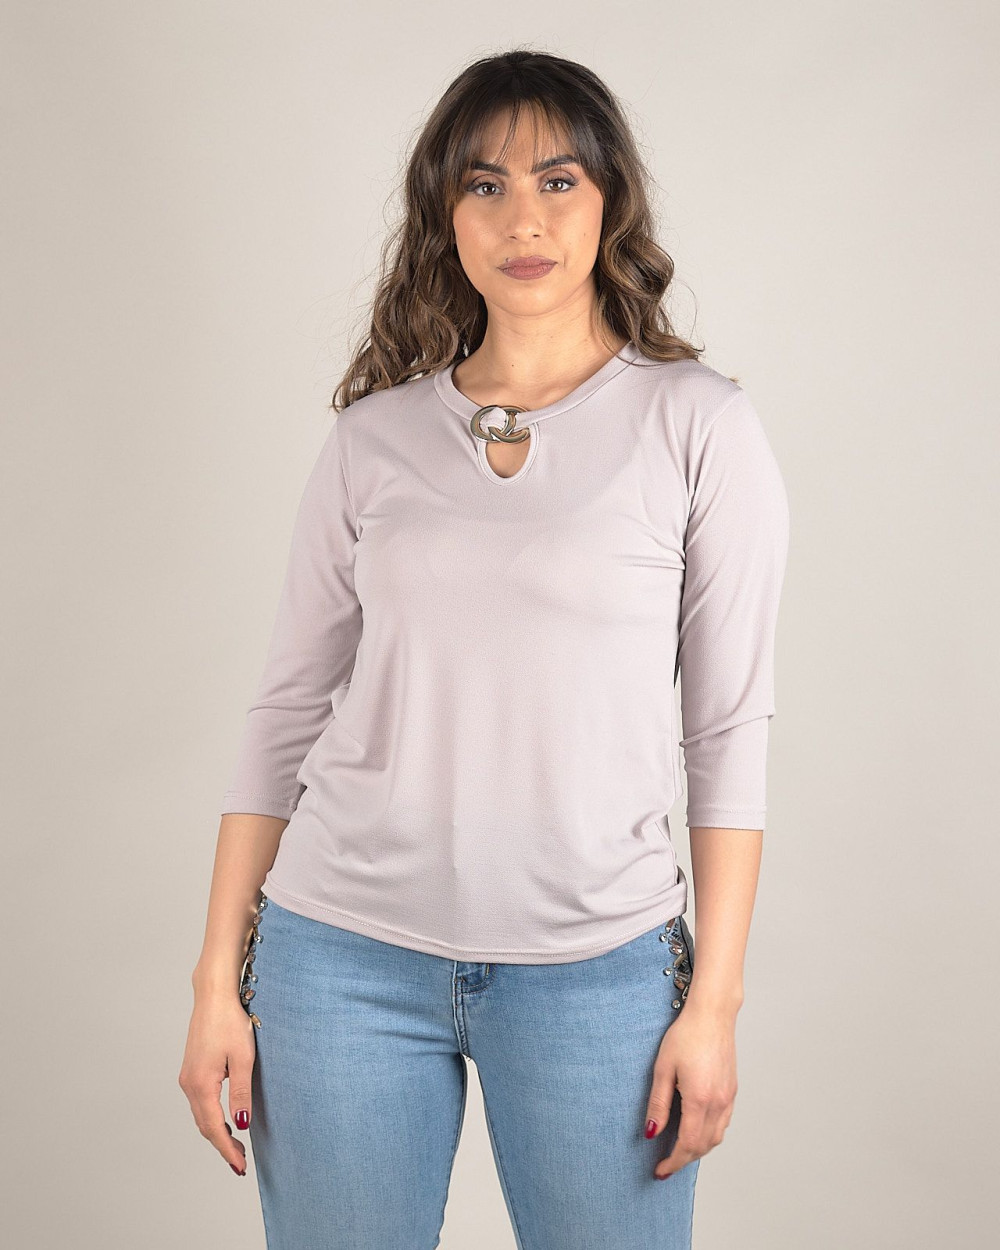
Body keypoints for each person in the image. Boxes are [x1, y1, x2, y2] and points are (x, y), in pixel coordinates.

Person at [178, 47, 790, 1250]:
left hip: (598, 968)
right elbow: (284, 713)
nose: (524, 220)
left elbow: (726, 731)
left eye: (558, 181)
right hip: (337, 960)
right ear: (443, 213)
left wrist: (713, 1000)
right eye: (485, 185)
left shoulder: (698, 425)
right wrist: (214, 980)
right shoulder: (372, 438)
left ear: (609, 201)